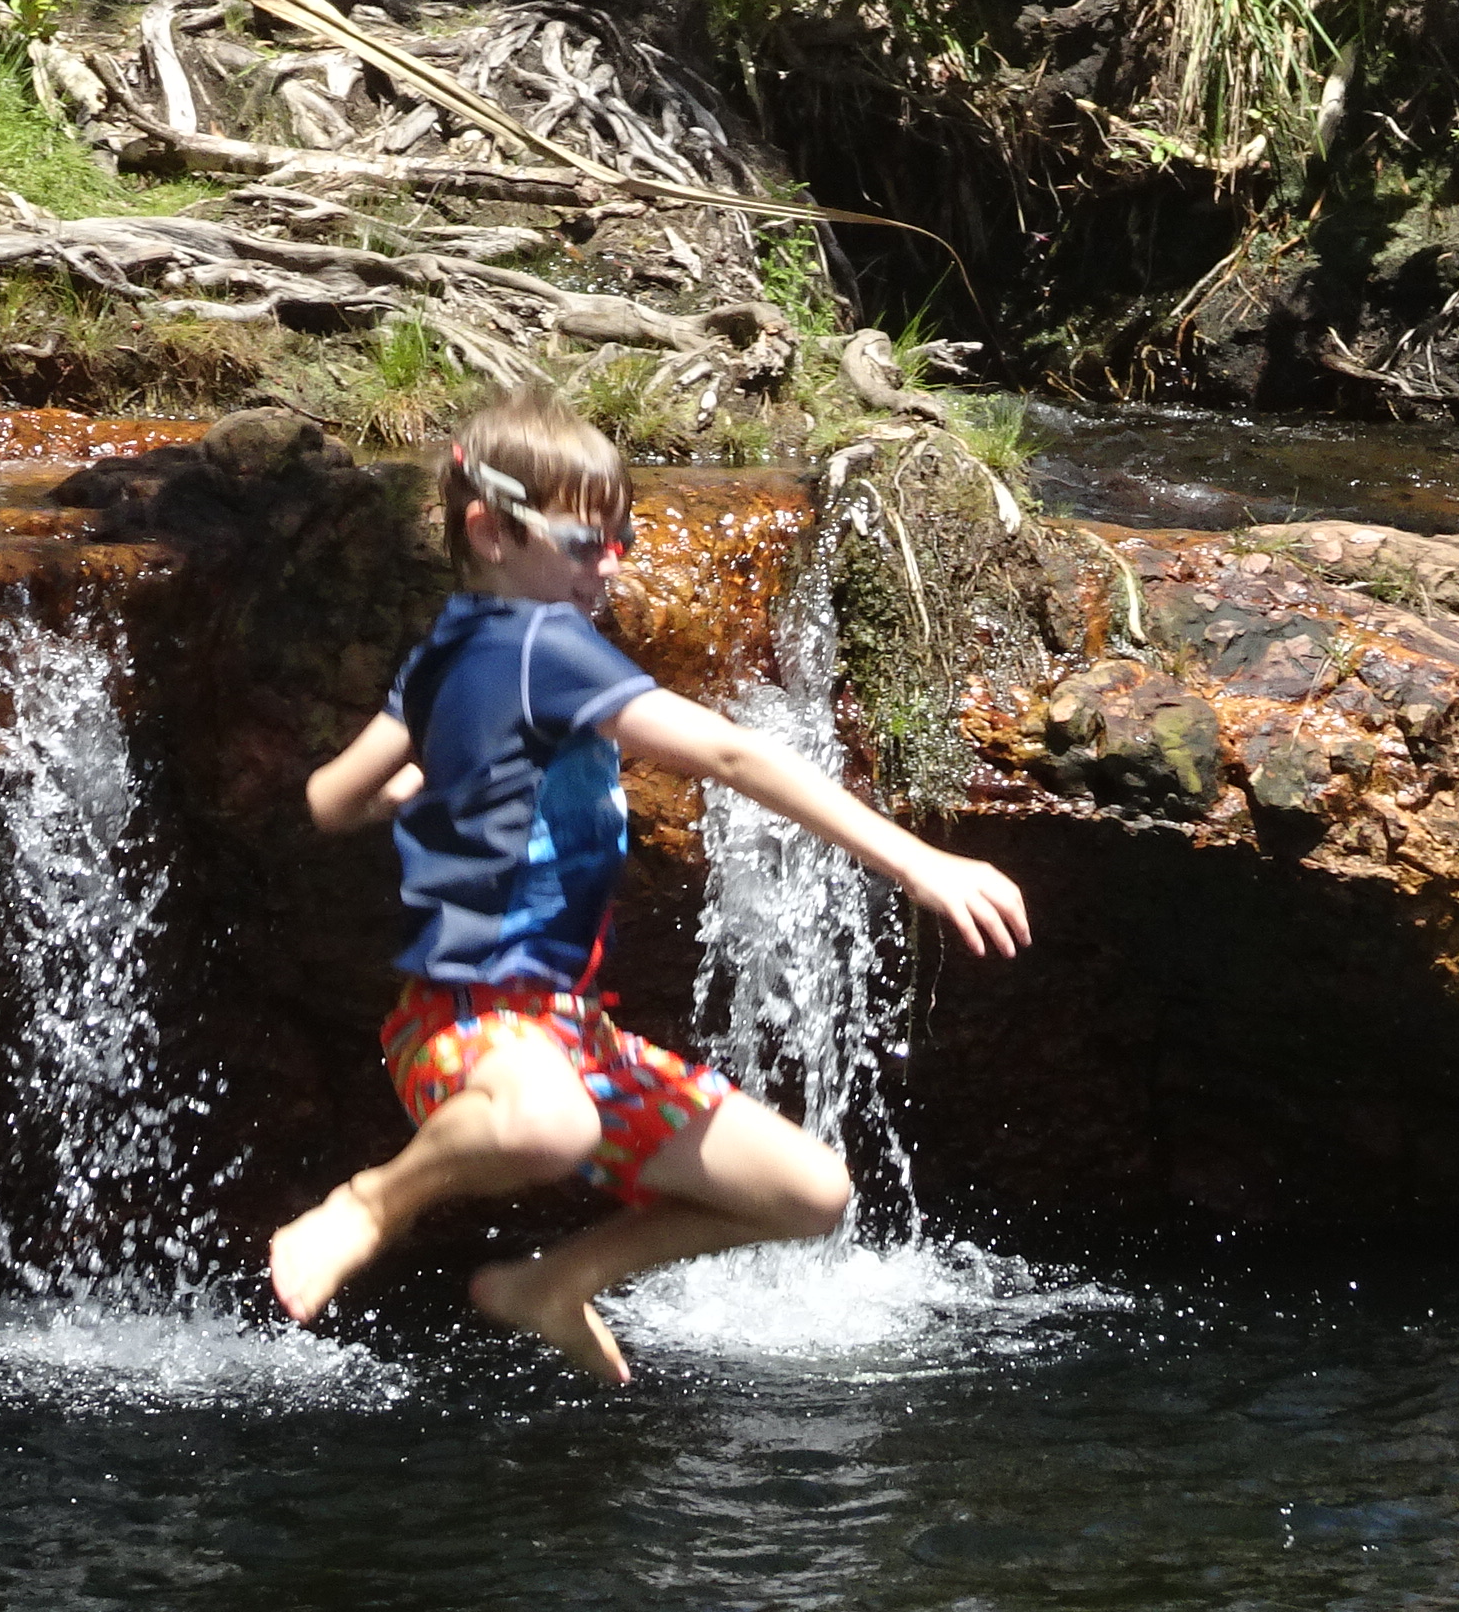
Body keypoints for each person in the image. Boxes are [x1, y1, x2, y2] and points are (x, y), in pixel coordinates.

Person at [265, 388, 1032, 1383]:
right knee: (550, 1123)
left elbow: (331, 796)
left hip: (572, 1036)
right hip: (469, 1026)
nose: (612, 562)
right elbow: (727, 750)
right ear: (490, 531)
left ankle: (552, 1282)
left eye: (622, 536)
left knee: (809, 1191)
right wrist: (916, 858)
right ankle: (371, 1202)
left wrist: (420, 780)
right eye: (588, 541)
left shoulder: (452, 645)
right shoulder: (548, 644)